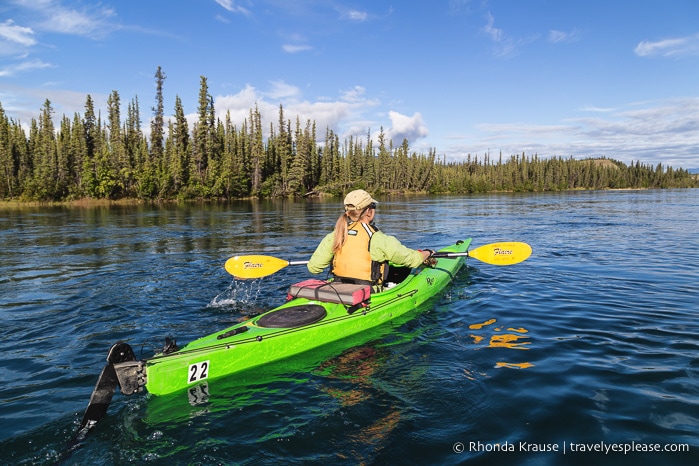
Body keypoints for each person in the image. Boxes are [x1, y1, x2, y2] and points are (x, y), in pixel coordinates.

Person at [307, 189, 435, 288]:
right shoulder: (378, 238)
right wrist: (428, 253)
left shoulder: (336, 235)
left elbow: (314, 268)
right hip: (369, 293)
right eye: (373, 206)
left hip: (339, 289)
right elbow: (413, 260)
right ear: (369, 212)